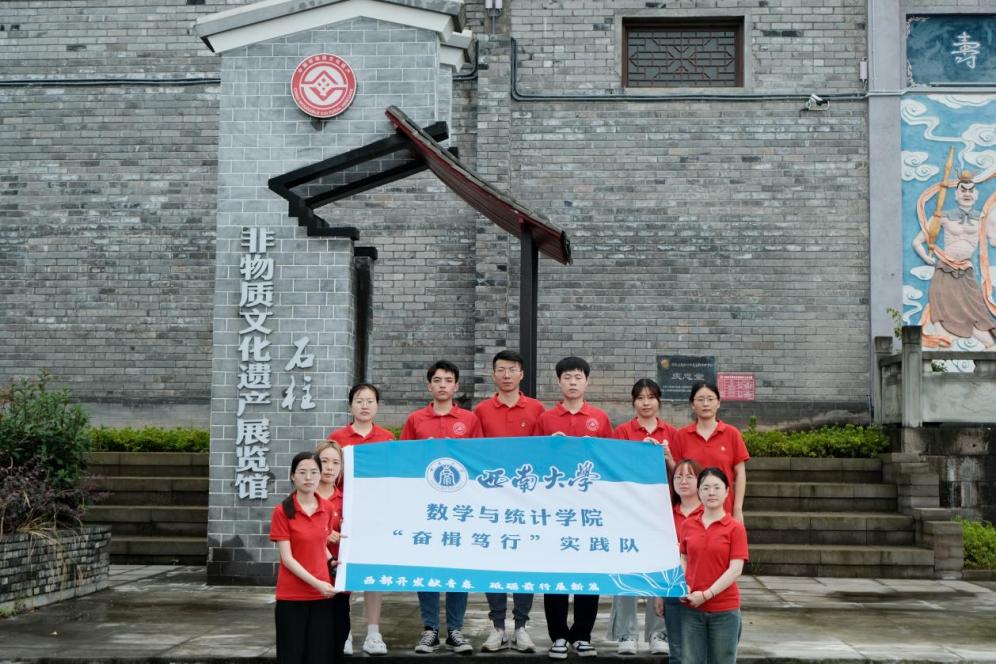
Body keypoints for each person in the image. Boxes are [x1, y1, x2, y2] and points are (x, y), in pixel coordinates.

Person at [533, 356, 613, 659]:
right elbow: (532, 462)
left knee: (588, 571)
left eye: (578, 377)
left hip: (590, 510)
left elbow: (611, 461)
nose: (573, 382)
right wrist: (548, 447)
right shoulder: (546, 419)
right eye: (567, 377)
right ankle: (558, 635)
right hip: (555, 508)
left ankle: (582, 634)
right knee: (555, 572)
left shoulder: (599, 418)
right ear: (559, 382)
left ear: (587, 381)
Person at [402, 360, 483, 655]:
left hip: (459, 508)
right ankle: (430, 629)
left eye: (448, 380)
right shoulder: (416, 420)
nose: (442, 385)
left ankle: (455, 630)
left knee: (457, 565)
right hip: (426, 506)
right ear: (429, 385)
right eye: (437, 380)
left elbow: (478, 461)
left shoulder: (469, 420)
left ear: (456, 386)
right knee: (427, 564)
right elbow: (404, 461)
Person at [474, 350, 545, 653]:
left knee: (525, 562)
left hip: (526, 500)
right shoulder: (481, 411)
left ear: (521, 374)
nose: (506, 375)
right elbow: (474, 454)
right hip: (491, 500)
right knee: (493, 562)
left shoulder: (537, 409)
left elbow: (543, 453)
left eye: (512, 369)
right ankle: (498, 627)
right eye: (501, 370)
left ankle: (522, 626)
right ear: (493, 374)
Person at [606, 379, 677, 655]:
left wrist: (668, 457)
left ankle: (658, 632)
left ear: (659, 401)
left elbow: (684, 475)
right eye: (640, 398)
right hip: (629, 514)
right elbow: (614, 470)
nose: (646, 403)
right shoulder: (623, 432)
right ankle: (626, 633)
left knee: (659, 573)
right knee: (627, 572)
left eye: (651, 397)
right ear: (633, 402)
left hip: (662, 515)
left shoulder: (672, 433)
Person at [326, 383, 394, 656]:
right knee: (345, 574)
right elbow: (329, 476)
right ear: (350, 405)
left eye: (369, 400)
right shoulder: (338, 437)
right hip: (344, 515)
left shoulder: (387, 438)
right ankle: (344, 632)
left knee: (373, 574)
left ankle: (374, 633)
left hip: (376, 514)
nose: (364, 405)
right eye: (359, 400)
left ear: (377, 405)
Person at [912, 170, 996, 348]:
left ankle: (987, 346)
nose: (967, 194)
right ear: (956, 194)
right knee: (943, 310)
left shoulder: (983, 218)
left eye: (971, 190)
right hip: (945, 269)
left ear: (976, 194)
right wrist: (927, 258)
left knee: (976, 311)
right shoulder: (942, 217)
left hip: (966, 271)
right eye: (963, 190)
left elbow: (993, 240)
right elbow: (917, 242)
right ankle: (944, 345)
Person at [269, 451, 339, 664]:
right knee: (291, 655)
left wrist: (332, 562)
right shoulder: (282, 511)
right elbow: (287, 559)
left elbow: (320, 544)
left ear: (320, 475)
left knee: (319, 655)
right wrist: (317, 583)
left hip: (322, 596)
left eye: (314, 472)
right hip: (292, 595)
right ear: (293, 476)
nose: (308, 477)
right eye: (302, 472)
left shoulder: (328, 508)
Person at [677, 467, 748, 664]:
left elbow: (735, 569)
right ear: (699, 492)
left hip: (724, 610)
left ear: (727, 492)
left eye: (717, 487)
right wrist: (683, 585)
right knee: (690, 660)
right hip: (692, 608)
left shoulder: (735, 528)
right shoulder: (688, 525)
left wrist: (707, 594)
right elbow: (684, 558)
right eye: (706, 488)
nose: (711, 492)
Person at [671, 381, 749, 522]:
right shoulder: (682, 436)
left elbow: (740, 473)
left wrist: (737, 509)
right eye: (700, 399)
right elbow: (676, 472)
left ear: (718, 403)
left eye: (710, 399)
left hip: (723, 509)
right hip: (690, 512)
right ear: (692, 404)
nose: (705, 404)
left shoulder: (732, 433)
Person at [654, 459, 703, 664]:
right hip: (673, 589)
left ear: (700, 481)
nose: (683, 481)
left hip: (703, 591)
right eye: (678, 477)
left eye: (689, 476)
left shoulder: (709, 512)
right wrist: (660, 593)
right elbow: (660, 555)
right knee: (677, 651)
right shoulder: (666, 514)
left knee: (701, 651)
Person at [314, 441, 351, 660]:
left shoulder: (348, 501)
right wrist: (322, 534)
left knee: (339, 627)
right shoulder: (303, 497)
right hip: (309, 575)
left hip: (337, 575)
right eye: (324, 461)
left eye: (336, 463)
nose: (329, 467)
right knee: (315, 631)